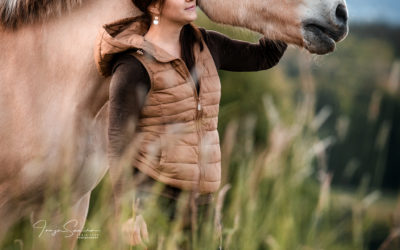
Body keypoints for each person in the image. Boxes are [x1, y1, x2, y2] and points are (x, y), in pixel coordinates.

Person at [94, 0, 287, 248]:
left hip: (204, 208)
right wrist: (127, 213)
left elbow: (265, 56)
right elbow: (119, 142)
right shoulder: (134, 65)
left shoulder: (208, 45)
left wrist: (288, 15)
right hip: (156, 208)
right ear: (154, 6)